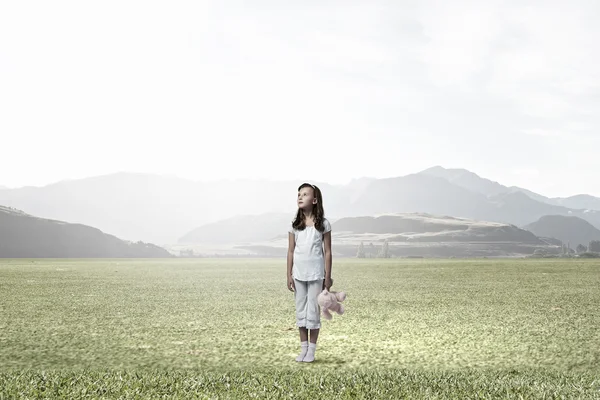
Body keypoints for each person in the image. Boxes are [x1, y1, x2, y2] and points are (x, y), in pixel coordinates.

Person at [287, 182, 332, 363]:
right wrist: (288, 274)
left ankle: (311, 350)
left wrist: (327, 277)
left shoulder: (324, 224)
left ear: (314, 200)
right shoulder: (295, 225)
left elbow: (327, 251)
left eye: (305, 194)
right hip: (298, 275)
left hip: (316, 275)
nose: (300, 196)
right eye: (299, 194)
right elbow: (290, 251)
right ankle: (303, 348)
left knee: (313, 311)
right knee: (300, 310)